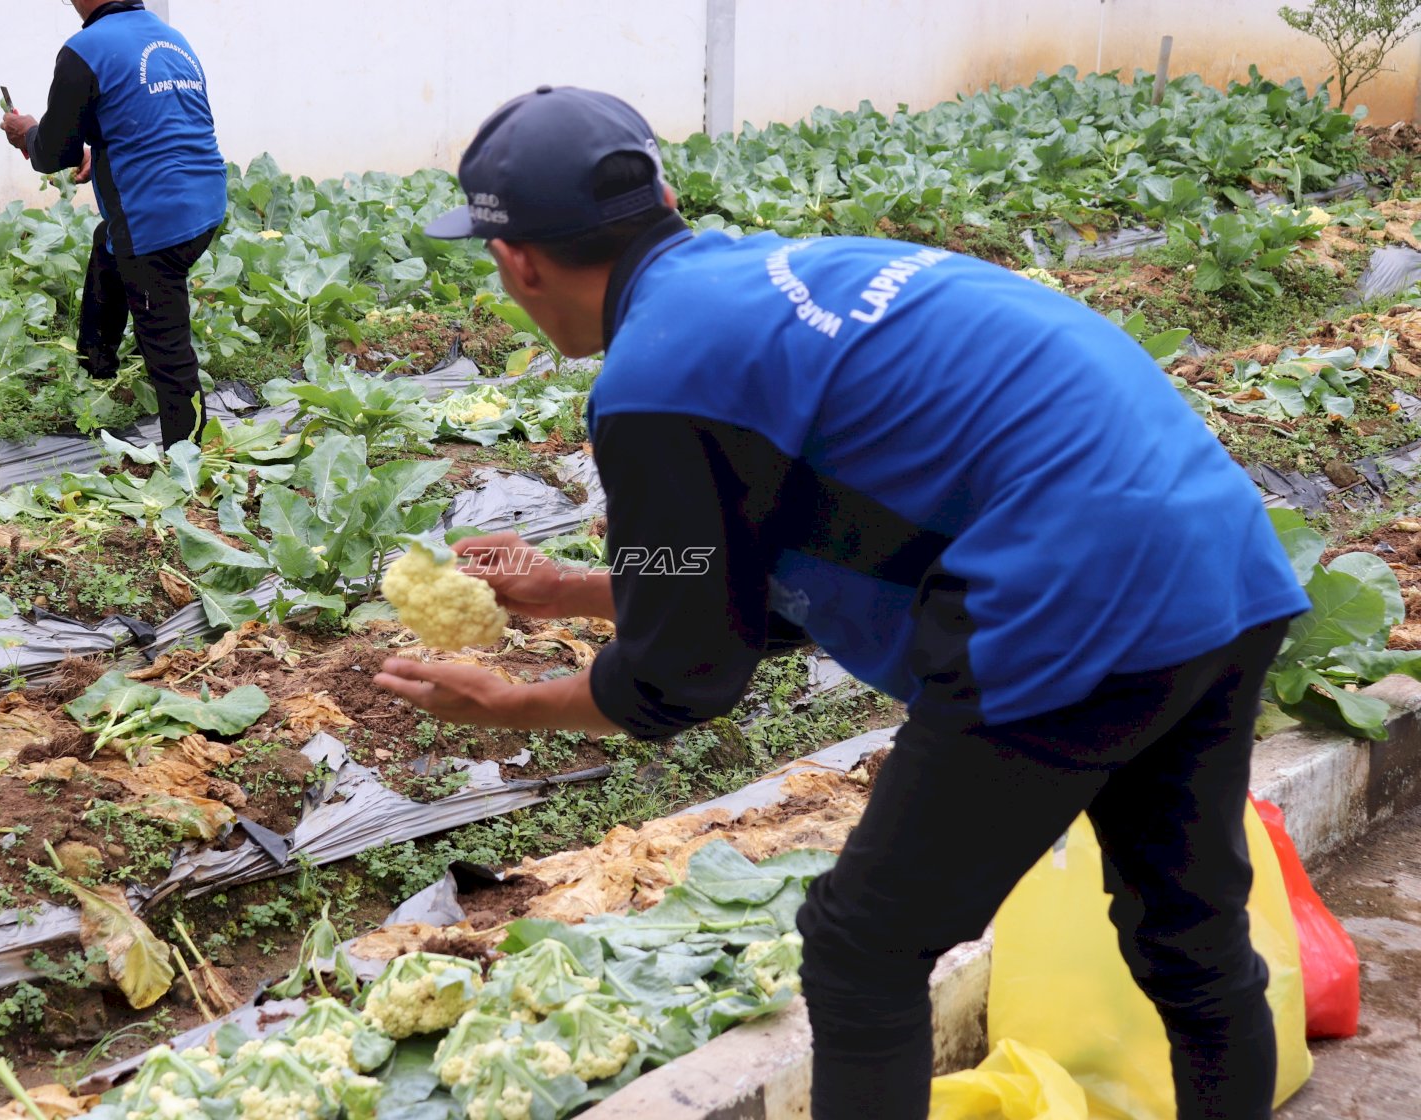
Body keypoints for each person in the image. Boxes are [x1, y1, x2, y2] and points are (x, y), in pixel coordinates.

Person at [372, 85, 1311, 1120]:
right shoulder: (767, 283)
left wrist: (507, 704)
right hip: (1218, 558)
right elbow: (745, 580)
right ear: (665, 201)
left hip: (1069, 596)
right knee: (1189, 930)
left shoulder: (652, 377)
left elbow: (683, 673)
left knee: (863, 948)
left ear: (518, 261)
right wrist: (566, 594)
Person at [0, 0, 226, 448]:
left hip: (156, 221)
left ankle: (189, 459)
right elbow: (153, 123)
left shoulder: (85, 49)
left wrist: (26, 132)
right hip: (205, 202)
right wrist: (99, 153)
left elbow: (52, 152)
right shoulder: (167, 37)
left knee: (166, 346)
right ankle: (96, 364)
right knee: (109, 243)